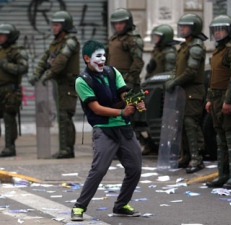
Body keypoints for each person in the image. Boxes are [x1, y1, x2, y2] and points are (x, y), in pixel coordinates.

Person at [70, 40, 145, 221]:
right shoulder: (82, 81)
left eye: (104, 55)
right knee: (99, 169)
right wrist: (121, 111)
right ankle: (79, 207)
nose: (102, 59)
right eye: (98, 56)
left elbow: (123, 94)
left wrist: (134, 101)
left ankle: (121, 205)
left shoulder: (113, 72)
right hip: (104, 130)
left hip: (124, 128)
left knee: (135, 168)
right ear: (87, 58)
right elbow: (96, 108)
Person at [28, 11, 80, 159]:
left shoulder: (71, 41)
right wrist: (36, 75)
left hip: (68, 84)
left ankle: (67, 149)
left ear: (64, 27)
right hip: (58, 84)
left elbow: (61, 60)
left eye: (57, 25)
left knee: (65, 116)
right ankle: (65, 148)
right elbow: (44, 59)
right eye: (53, 25)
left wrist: (47, 75)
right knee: (61, 116)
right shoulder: (55, 43)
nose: (54, 28)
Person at [165, 13, 207, 174]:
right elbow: (178, 69)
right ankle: (187, 155)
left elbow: (191, 71)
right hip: (183, 90)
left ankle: (197, 157)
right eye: (181, 26)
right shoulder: (185, 45)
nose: (182, 29)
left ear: (193, 28)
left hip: (193, 91)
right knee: (181, 124)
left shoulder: (196, 46)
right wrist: (172, 78)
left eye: (185, 26)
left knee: (191, 124)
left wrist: (175, 81)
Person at [205, 15, 231, 189]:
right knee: (220, 138)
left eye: (221, 29)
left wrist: (228, 100)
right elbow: (213, 77)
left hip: (227, 98)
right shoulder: (217, 50)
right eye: (215, 30)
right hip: (215, 98)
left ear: (229, 31)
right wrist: (209, 99)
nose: (218, 33)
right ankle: (223, 174)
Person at [143, 24, 177, 155]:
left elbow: (168, 74)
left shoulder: (169, 54)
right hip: (152, 88)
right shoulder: (157, 51)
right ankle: (150, 144)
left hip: (161, 92)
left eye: (158, 37)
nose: (155, 39)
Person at [0, 24, 28, 157]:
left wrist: (4, 64)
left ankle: (10, 147)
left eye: (3, 35)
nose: (0, 38)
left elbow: (23, 68)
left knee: (9, 119)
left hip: (10, 90)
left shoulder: (17, 51)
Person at [107, 8, 144, 93]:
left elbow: (137, 62)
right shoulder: (114, 38)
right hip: (113, 81)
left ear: (127, 23)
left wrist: (129, 80)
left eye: (121, 23)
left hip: (126, 83)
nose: (118, 26)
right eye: (115, 23)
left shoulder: (133, 39)